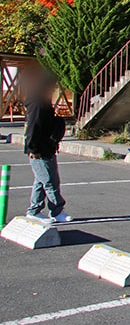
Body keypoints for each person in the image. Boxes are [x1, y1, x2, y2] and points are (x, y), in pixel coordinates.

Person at [24, 72, 72, 223]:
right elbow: (33, 128)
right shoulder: (38, 104)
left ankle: (34, 210)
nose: (53, 89)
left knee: (41, 181)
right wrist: (33, 149)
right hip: (40, 150)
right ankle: (57, 211)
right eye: (52, 86)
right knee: (50, 181)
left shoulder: (41, 102)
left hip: (45, 148)